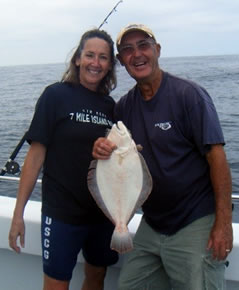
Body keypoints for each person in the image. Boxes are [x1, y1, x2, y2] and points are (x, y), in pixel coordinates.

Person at [92, 24, 233, 290]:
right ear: (121, 61)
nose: (137, 54)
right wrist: (101, 148)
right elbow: (116, 161)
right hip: (153, 222)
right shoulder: (123, 107)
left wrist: (223, 224)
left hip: (195, 220)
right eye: (127, 50)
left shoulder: (188, 95)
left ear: (157, 50)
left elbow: (217, 157)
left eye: (143, 45)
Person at [8, 29, 118, 290]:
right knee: (57, 284)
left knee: (96, 277)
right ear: (78, 59)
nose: (95, 62)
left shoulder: (110, 106)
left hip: (102, 214)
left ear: (110, 65)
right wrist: (18, 215)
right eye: (89, 55)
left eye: (103, 57)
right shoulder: (55, 96)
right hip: (61, 214)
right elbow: (35, 157)